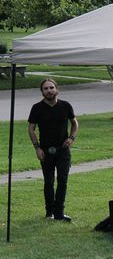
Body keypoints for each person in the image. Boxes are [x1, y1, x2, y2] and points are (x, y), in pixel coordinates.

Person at [27, 79, 79, 221]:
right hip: (45, 151)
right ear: (42, 92)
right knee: (48, 181)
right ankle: (49, 212)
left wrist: (71, 138)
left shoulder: (66, 106)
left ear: (57, 89)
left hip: (63, 150)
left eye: (51, 87)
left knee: (63, 180)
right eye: (45, 88)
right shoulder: (36, 108)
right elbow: (31, 129)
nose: (49, 90)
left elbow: (75, 123)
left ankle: (59, 213)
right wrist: (37, 148)